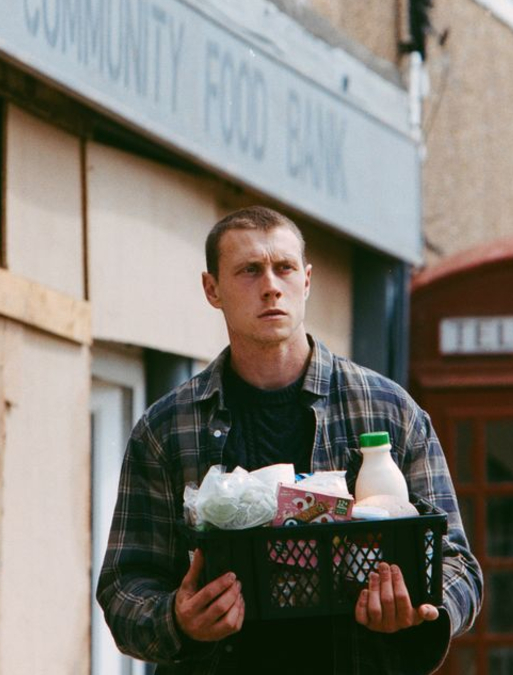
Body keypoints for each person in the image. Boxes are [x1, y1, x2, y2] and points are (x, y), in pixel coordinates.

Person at [96, 206, 482, 673]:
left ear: (307, 281)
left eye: (285, 268)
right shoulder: (167, 427)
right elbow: (123, 586)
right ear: (211, 289)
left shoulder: (388, 410)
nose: (271, 285)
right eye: (249, 271)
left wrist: (423, 608)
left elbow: (458, 563)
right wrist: (177, 618)